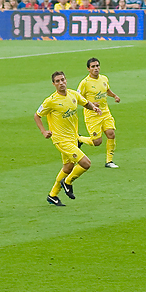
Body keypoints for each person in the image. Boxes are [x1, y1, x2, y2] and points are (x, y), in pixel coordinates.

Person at [34, 71, 102, 206]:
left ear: (66, 80)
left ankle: (52, 195)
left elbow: (85, 103)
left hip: (72, 138)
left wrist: (94, 108)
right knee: (86, 163)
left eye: (63, 80)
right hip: (61, 140)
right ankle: (67, 182)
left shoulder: (73, 94)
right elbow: (37, 115)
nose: (61, 83)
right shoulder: (51, 101)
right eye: (57, 81)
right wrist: (43, 131)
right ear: (53, 84)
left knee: (68, 167)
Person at [76, 58, 121, 168]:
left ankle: (109, 161)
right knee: (97, 142)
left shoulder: (104, 78)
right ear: (88, 69)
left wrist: (114, 96)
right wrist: (90, 104)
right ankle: (79, 139)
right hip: (92, 116)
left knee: (111, 134)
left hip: (105, 112)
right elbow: (77, 98)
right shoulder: (85, 83)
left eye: (97, 66)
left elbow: (107, 90)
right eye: (93, 66)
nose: (96, 68)